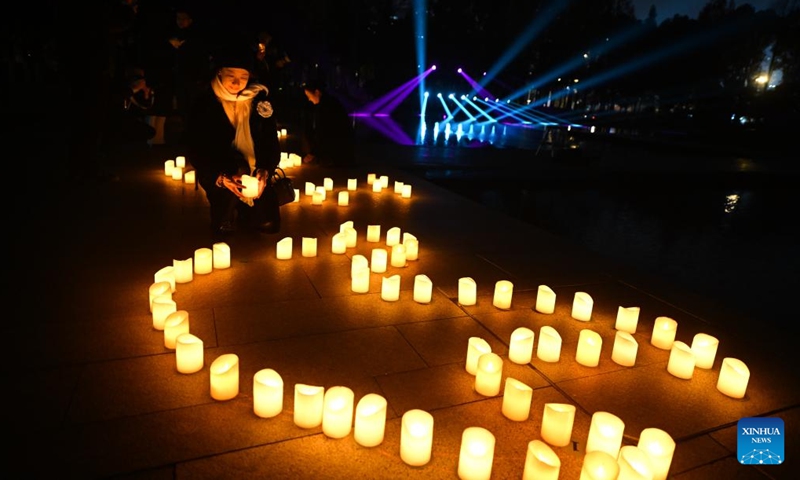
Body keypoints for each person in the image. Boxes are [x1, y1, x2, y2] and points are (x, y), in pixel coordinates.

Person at [186, 44, 282, 238]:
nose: (238, 83)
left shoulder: (259, 100)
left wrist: (265, 169)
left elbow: (270, 140)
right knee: (223, 230)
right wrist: (221, 177)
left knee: (269, 225)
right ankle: (226, 205)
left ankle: (248, 209)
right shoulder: (205, 103)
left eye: (244, 77)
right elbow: (196, 147)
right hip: (223, 168)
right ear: (220, 73)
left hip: (255, 169)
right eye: (232, 77)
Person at [301, 80, 356, 167]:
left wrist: (313, 153)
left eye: (309, 96)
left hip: (339, 147)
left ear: (317, 92)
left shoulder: (326, 107)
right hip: (340, 144)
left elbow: (324, 132)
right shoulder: (327, 103)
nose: (309, 99)